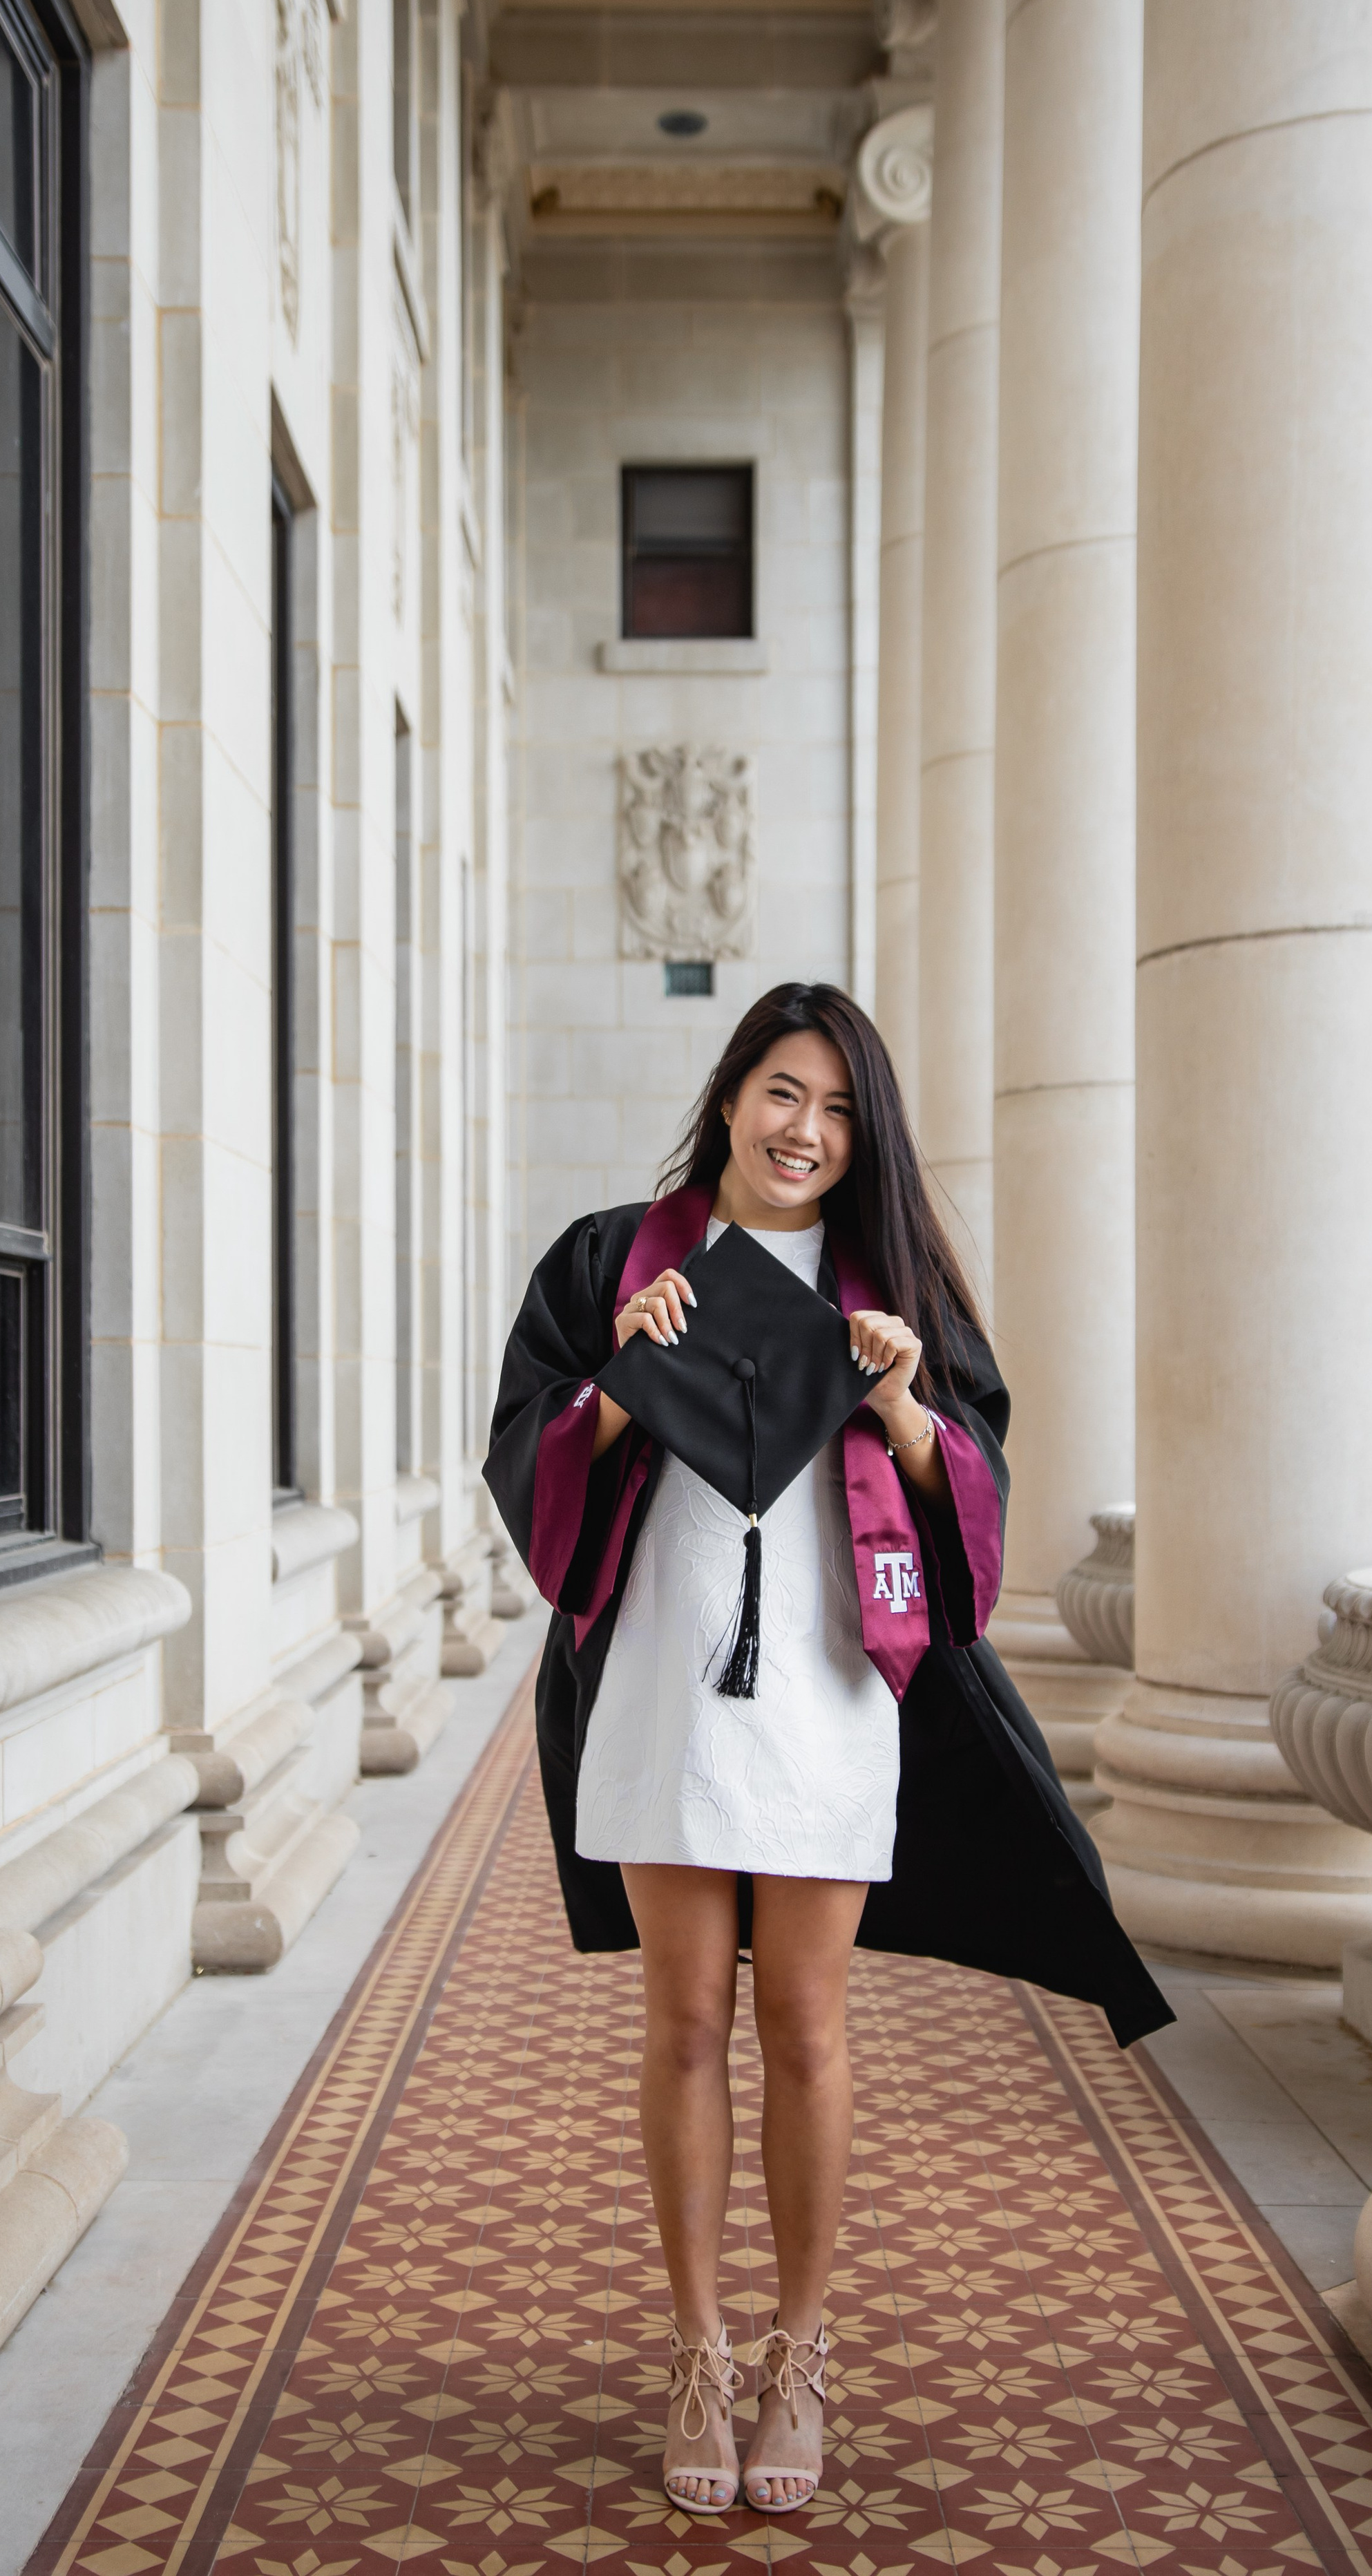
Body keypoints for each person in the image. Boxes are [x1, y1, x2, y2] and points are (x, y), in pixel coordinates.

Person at [484, 981, 1171, 2519]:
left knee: (804, 2023)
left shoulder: (897, 1286)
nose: (806, 1131)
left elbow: (974, 1488)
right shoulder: (613, 1260)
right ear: (732, 1096)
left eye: (841, 1109)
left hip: (827, 1691)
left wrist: (906, 1404)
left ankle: (797, 2350)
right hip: (662, 1680)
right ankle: (697, 2352)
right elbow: (529, 1451)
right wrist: (618, 1381)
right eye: (784, 1093)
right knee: (680, 2023)